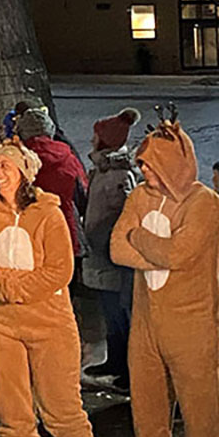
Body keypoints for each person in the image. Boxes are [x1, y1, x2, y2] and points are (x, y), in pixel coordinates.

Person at [0, 140, 99, 437]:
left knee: (63, 407)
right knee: (12, 411)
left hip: (50, 322)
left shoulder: (48, 214)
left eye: (5, 167)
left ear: (24, 173)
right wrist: (16, 285)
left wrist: (11, 286)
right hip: (2, 324)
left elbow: (59, 271)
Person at [110, 115, 219, 437]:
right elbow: (117, 248)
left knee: (202, 421)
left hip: (193, 329)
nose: (144, 172)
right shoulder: (139, 197)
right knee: (147, 418)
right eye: (143, 164)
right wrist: (155, 252)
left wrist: (138, 237)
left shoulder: (204, 203)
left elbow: (177, 254)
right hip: (145, 329)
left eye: (152, 165)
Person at [80, 108, 141, 390]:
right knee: (110, 314)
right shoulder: (103, 170)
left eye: (96, 134)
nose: (92, 139)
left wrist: (106, 242)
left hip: (111, 257)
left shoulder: (118, 175)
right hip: (101, 255)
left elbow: (123, 216)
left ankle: (128, 369)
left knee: (120, 315)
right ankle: (115, 360)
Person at [15, 108, 88, 258]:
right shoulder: (67, 156)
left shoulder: (17, 158)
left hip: (29, 231)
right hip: (66, 227)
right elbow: (81, 192)